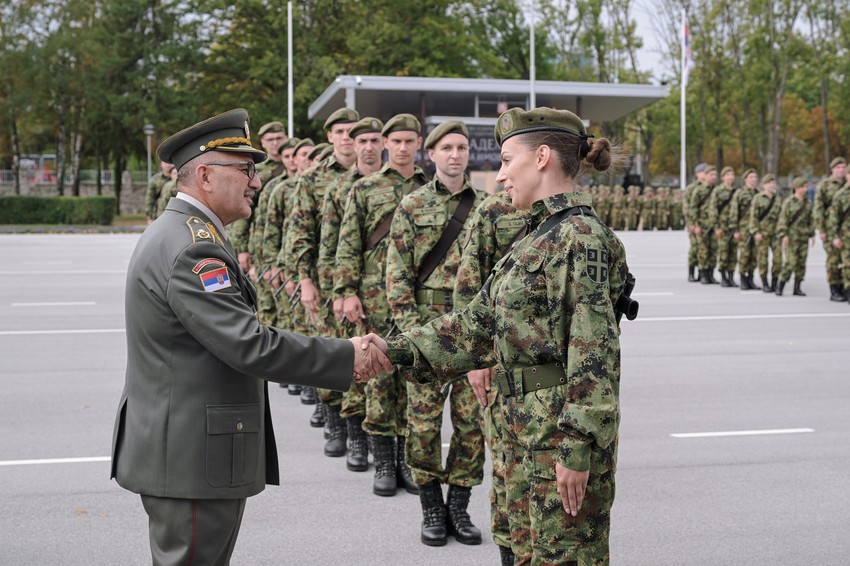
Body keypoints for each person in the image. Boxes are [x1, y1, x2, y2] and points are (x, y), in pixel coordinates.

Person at [110, 108, 391, 565]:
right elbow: (249, 343)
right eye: (244, 170)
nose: (256, 182)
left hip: (187, 452)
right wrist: (346, 356)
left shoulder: (183, 233)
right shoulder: (192, 248)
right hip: (192, 459)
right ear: (205, 175)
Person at [367, 107, 631, 565]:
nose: (502, 174)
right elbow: (476, 325)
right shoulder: (537, 236)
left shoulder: (579, 238)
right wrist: (392, 350)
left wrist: (577, 446)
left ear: (543, 157)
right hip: (522, 430)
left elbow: (594, 356)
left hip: (555, 439)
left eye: (508, 160)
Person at [385, 120, 487, 547]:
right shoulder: (412, 205)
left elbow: (497, 275)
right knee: (423, 423)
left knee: (471, 424)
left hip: (471, 333)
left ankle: (458, 507)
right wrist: (413, 335)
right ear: (432, 154)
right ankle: (430, 506)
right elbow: (397, 275)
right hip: (426, 329)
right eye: (446, 147)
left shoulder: (488, 207)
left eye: (461, 147)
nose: (455, 154)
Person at [334, 113, 430, 497]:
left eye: (410, 141)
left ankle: (407, 459)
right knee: (377, 377)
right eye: (397, 141)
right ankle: (384, 462)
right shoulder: (365, 189)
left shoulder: (432, 188)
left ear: (419, 145)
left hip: (418, 300)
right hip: (373, 296)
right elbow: (347, 243)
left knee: (412, 377)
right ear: (387, 144)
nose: (404, 148)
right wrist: (346, 290)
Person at [453, 190, 529, 564]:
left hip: (557, 374)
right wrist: (475, 358)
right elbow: (469, 288)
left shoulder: (579, 217)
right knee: (506, 470)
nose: (502, 174)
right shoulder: (495, 209)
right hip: (501, 363)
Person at [286, 107, 359, 454]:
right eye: (340, 131)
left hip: (366, 282)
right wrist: (305, 279)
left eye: (352, 131)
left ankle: (361, 432)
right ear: (330, 137)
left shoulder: (372, 176)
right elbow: (299, 232)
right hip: (325, 280)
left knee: (365, 354)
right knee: (331, 352)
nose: (347, 137)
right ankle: (335, 424)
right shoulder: (312, 178)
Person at [317, 117, 385, 471]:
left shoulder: (398, 185)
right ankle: (353, 436)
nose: (369, 147)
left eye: (376, 139)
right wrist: (337, 291)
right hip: (349, 289)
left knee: (384, 371)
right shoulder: (340, 188)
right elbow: (330, 245)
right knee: (353, 364)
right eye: (363, 140)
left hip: (387, 292)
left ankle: (384, 447)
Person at [815, 157, 848, 301]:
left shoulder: (847, 183)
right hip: (830, 228)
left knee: (846, 260)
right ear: (832, 169)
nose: (841, 170)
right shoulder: (825, 185)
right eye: (838, 167)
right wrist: (821, 229)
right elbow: (818, 208)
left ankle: (844, 287)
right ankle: (834, 289)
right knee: (833, 259)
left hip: (845, 228)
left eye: (843, 167)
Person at [775, 177, 814, 296]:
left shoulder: (808, 203)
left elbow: (810, 220)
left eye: (806, 186)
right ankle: (780, 285)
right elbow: (783, 220)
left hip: (803, 237)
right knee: (790, 262)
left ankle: (797, 287)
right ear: (796, 188)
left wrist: (812, 234)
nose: (805, 189)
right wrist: (783, 234)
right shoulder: (789, 202)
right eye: (803, 187)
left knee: (801, 263)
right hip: (791, 237)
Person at [749, 174, 782, 292]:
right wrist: (755, 232)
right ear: (763, 185)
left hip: (776, 233)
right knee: (763, 259)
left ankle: (775, 282)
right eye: (768, 183)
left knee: (778, 259)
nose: (771, 185)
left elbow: (781, 217)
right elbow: (754, 217)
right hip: (762, 233)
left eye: (773, 183)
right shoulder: (758, 198)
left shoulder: (778, 198)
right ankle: (765, 283)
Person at [729, 168, 760, 290]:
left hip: (755, 229)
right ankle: (743, 278)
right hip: (743, 229)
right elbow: (734, 212)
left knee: (754, 256)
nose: (753, 180)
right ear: (745, 179)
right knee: (744, 255)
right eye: (751, 177)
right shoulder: (740, 193)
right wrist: (735, 230)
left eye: (755, 177)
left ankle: (750, 279)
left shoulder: (758, 194)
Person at [688, 165, 719, 284]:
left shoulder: (717, 190)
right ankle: (703, 274)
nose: (713, 177)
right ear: (705, 176)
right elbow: (693, 208)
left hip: (713, 225)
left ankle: (711, 274)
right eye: (711, 174)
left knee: (713, 250)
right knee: (702, 251)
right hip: (702, 225)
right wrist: (695, 224)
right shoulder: (699, 190)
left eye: (715, 175)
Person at [710, 166, 739, 287]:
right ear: (723, 177)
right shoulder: (717, 191)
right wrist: (716, 227)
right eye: (727, 175)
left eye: (732, 175)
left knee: (733, 253)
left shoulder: (737, 192)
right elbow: (713, 210)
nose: (730, 177)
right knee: (723, 252)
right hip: (722, 227)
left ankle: (731, 276)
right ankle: (723, 277)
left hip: (734, 227)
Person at [828, 175, 850, 302]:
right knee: (847, 265)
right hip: (845, 236)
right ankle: (847, 291)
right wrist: (835, 236)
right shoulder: (840, 195)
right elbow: (834, 218)